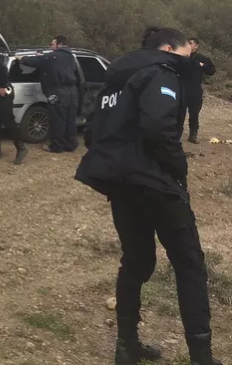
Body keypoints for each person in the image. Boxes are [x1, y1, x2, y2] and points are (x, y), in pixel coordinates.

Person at [75, 27, 220, 365]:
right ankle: (202, 357)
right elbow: (157, 127)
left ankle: (126, 347)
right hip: (157, 184)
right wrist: (178, 166)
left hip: (121, 186)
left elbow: (91, 133)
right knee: (189, 265)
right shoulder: (160, 73)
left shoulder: (114, 84)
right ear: (168, 48)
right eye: (186, 52)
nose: (189, 59)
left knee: (137, 261)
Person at [18, 35, 79, 153]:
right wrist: (45, 57)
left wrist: (21, 58)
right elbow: (52, 63)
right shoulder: (70, 56)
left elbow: (34, 61)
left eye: (52, 44)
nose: (51, 47)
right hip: (72, 92)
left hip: (58, 92)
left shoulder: (53, 56)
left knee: (57, 120)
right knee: (70, 120)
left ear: (59, 45)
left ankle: (56, 146)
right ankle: (71, 144)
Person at [180, 37, 216, 144]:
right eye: (187, 43)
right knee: (179, 112)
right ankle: (176, 134)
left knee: (194, 113)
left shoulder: (201, 58)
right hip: (182, 87)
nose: (189, 45)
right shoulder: (182, 56)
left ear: (196, 45)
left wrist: (203, 65)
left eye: (191, 43)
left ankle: (193, 134)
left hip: (195, 89)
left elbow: (212, 70)